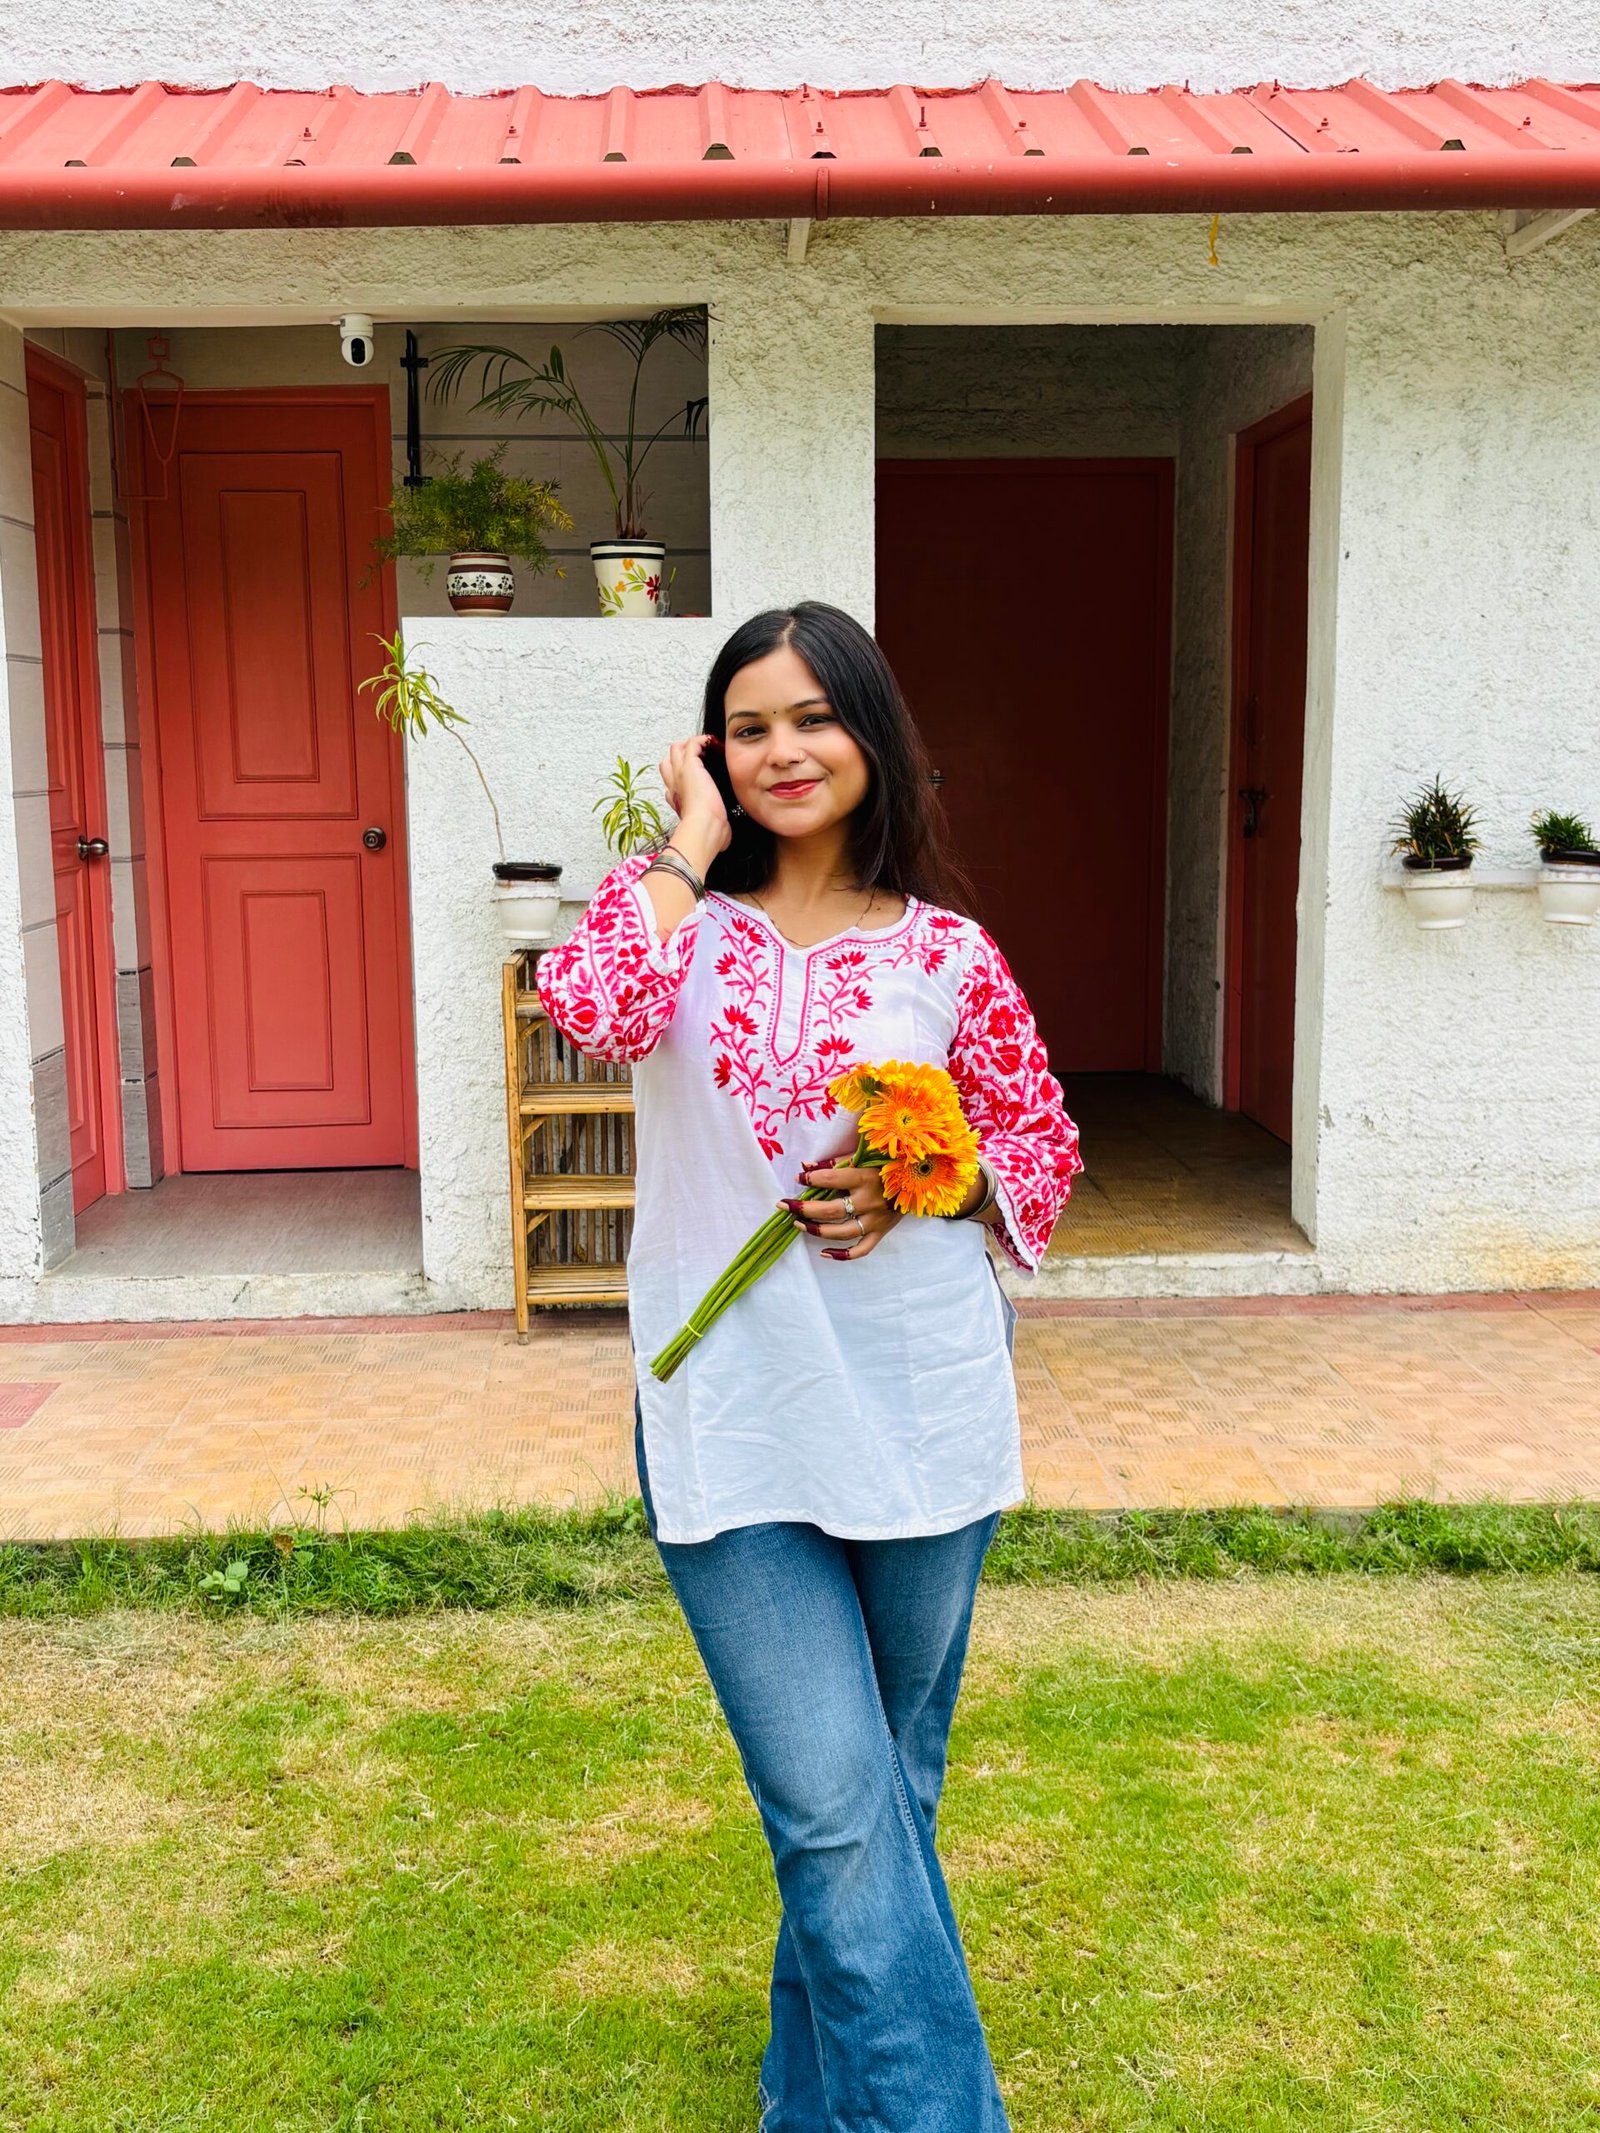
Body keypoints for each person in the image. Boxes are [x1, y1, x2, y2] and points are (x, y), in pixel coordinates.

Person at [535, 600, 1081, 2132]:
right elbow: (589, 1011)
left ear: (871, 735)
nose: (784, 749)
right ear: (715, 750)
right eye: (749, 723)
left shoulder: (949, 956)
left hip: (923, 1411)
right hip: (732, 1419)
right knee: (840, 1812)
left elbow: (1039, 1149)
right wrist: (675, 844)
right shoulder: (674, 929)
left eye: (813, 716)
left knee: (875, 1804)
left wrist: (934, 1173)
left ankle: (805, 2100)